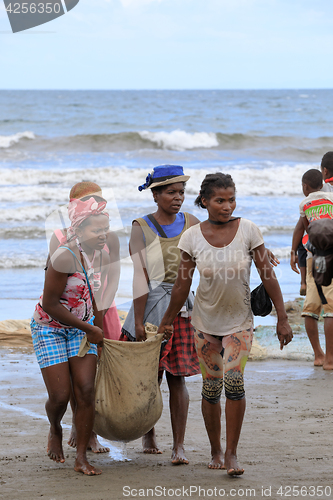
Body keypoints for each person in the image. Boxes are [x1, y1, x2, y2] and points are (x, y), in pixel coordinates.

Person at [157, 172, 293, 475]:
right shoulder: (192, 237)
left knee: (234, 382)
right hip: (204, 323)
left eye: (231, 199)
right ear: (205, 201)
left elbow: (267, 275)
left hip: (239, 321)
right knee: (211, 388)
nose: (227, 206)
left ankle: (231, 454)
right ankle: (215, 449)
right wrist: (167, 320)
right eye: (220, 200)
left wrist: (282, 318)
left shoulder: (248, 231)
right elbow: (182, 284)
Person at [121, 165, 201, 465]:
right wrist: (139, 322)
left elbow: (207, 259)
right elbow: (140, 276)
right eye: (171, 192)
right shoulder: (140, 226)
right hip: (151, 305)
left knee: (178, 378)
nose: (178, 198)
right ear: (155, 195)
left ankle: (178, 445)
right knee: (148, 376)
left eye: (181, 192)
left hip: (182, 308)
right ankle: (149, 431)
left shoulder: (192, 223)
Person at [30, 195, 110, 475]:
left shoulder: (100, 253)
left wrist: (100, 332)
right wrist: (90, 328)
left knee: (86, 391)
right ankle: (55, 429)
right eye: (95, 230)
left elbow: (96, 297)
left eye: (105, 229)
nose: (102, 235)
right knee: (61, 396)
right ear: (78, 229)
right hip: (50, 328)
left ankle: (81, 458)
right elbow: (50, 304)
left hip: (83, 329)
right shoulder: (64, 256)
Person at [48, 182, 121, 453]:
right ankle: (81, 431)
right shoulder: (60, 238)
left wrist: (100, 314)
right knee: (76, 376)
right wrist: (87, 321)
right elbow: (57, 285)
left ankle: (89, 431)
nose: (94, 207)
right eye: (86, 203)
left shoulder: (109, 237)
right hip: (72, 312)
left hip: (103, 308)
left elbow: (113, 278)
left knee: (95, 375)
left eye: (99, 201)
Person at [290, 168, 333, 369]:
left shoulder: (304, 203)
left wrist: (292, 252)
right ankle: (331, 359)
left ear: (305, 187)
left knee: (311, 308)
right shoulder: (332, 198)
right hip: (331, 255)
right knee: (331, 309)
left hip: (313, 257)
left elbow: (306, 228)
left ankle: (318, 356)